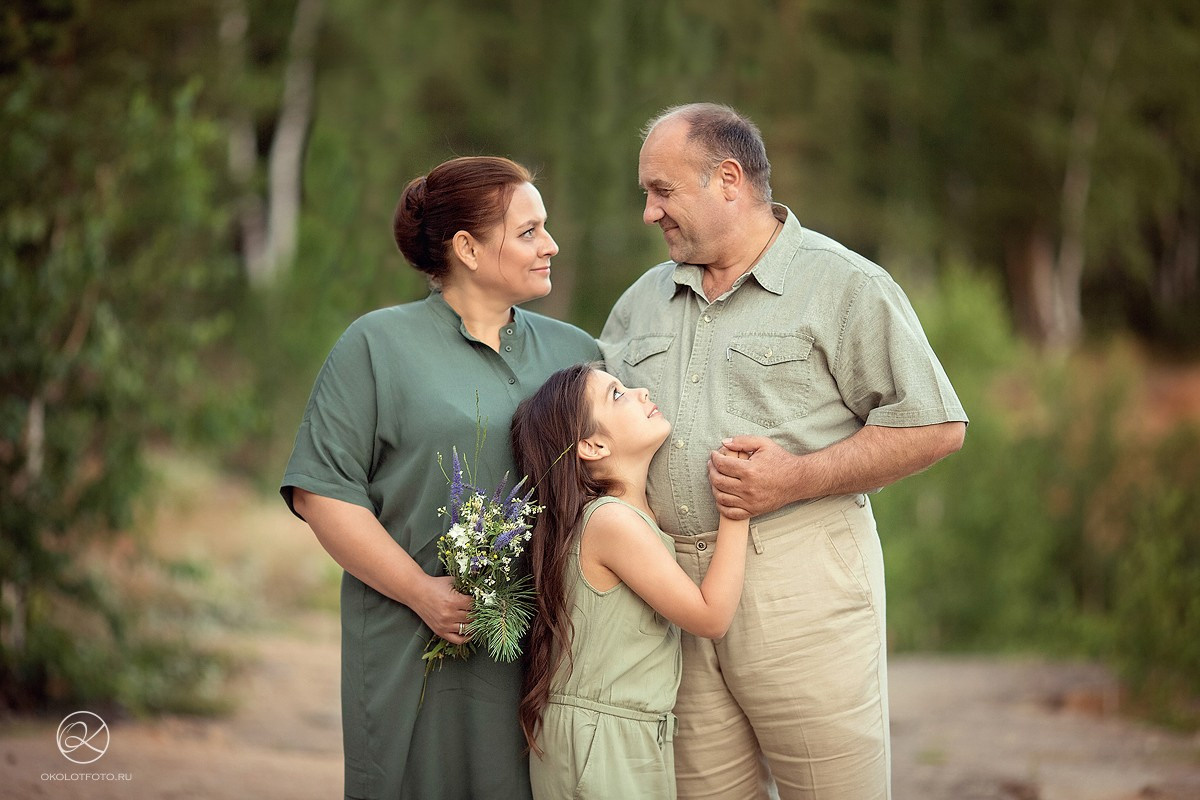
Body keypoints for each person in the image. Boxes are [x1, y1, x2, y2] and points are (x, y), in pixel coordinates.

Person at [600, 103, 968, 800]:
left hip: (802, 588)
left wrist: (793, 478)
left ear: (729, 181)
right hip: (673, 604)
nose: (649, 212)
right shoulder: (639, 304)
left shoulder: (846, 286)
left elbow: (935, 425)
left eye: (662, 191)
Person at [280, 156, 601, 799]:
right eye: (530, 231)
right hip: (409, 640)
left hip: (548, 646)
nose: (551, 246)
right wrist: (422, 593)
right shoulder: (375, 345)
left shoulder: (578, 354)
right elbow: (323, 491)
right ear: (467, 248)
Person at [509, 363, 751, 800]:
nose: (640, 392)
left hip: (622, 733)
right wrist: (738, 506)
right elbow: (711, 616)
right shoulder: (610, 521)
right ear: (592, 445)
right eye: (617, 394)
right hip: (601, 740)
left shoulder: (628, 519)